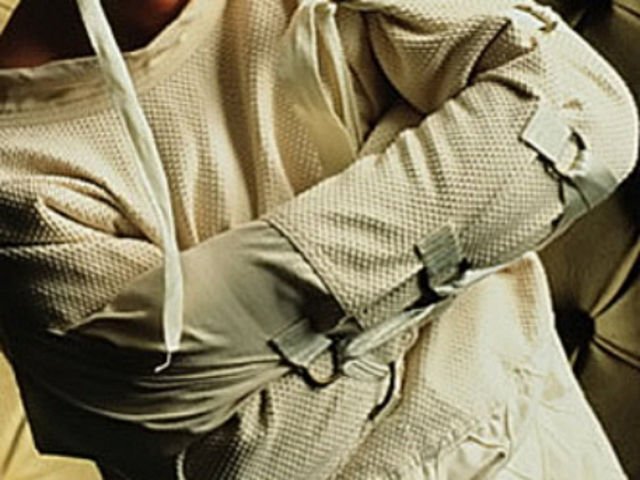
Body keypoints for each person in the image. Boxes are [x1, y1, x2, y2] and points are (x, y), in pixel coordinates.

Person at [0, 0, 637, 478]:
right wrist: (448, 179)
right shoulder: (17, 168)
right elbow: (240, 459)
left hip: (543, 439)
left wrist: (273, 321)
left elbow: (588, 116)